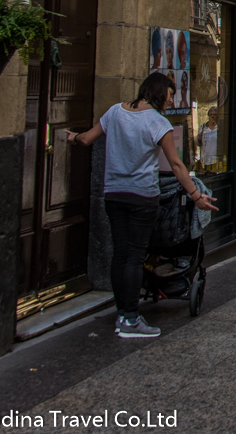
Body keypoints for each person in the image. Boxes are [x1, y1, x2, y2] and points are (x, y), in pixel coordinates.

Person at [67, 73, 217, 338]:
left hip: (114, 194)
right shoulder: (157, 122)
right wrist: (196, 196)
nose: (170, 102)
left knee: (120, 254)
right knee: (135, 256)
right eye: (169, 96)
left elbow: (87, 139)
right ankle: (131, 319)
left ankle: (122, 313)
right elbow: (176, 165)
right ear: (159, 93)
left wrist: (72, 137)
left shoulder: (115, 112)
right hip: (142, 197)